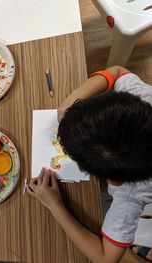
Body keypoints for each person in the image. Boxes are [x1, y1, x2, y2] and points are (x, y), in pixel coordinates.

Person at [27, 66, 152, 262]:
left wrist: (55, 205)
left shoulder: (130, 197)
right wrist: (70, 103)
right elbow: (118, 72)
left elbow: (105, 259)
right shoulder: (144, 98)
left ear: (113, 180)